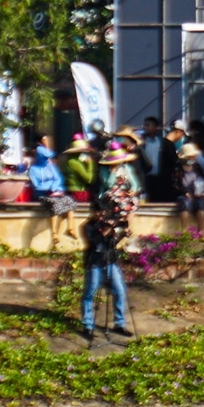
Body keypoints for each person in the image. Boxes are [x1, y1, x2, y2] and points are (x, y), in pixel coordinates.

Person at [82, 146, 139, 342]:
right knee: (90, 292)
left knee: (119, 290)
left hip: (110, 260)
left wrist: (122, 233)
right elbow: (95, 240)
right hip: (95, 261)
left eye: (103, 213)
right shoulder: (88, 226)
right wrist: (107, 229)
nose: (101, 216)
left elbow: (113, 242)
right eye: (98, 213)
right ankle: (87, 325)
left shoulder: (107, 221)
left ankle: (119, 323)